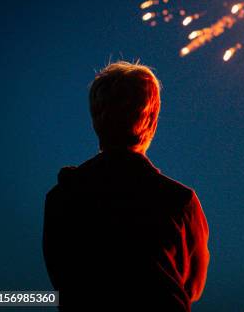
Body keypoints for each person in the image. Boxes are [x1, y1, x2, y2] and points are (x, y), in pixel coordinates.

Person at [43, 61, 209, 311]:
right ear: (151, 118)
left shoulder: (61, 196)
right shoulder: (179, 201)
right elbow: (192, 287)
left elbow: (61, 279)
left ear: (96, 118)